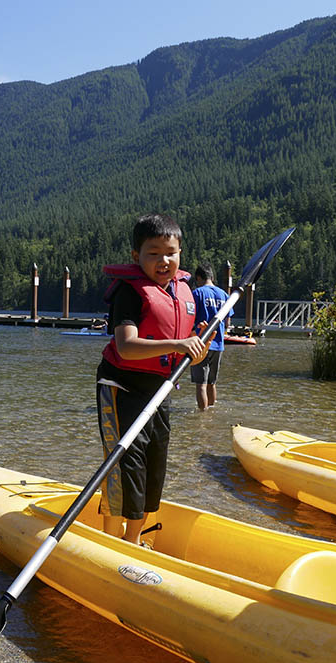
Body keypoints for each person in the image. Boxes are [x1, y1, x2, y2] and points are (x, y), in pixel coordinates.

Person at [96, 214, 210, 545]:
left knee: (153, 467)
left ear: (180, 254)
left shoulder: (182, 291)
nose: (164, 261)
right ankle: (110, 539)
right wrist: (178, 344)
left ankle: (133, 538)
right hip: (121, 385)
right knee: (125, 465)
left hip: (158, 390)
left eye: (171, 253)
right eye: (153, 253)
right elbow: (127, 347)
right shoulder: (129, 293)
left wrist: (195, 343)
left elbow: (179, 337)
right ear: (136, 256)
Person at [190, 263, 232, 409]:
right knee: (211, 383)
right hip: (218, 343)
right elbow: (227, 321)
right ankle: (211, 414)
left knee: (200, 384)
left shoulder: (197, 293)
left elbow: (189, 317)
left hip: (200, 344)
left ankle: (202, 418)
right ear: (212, 277)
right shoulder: (224, 295)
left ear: (198, 278)